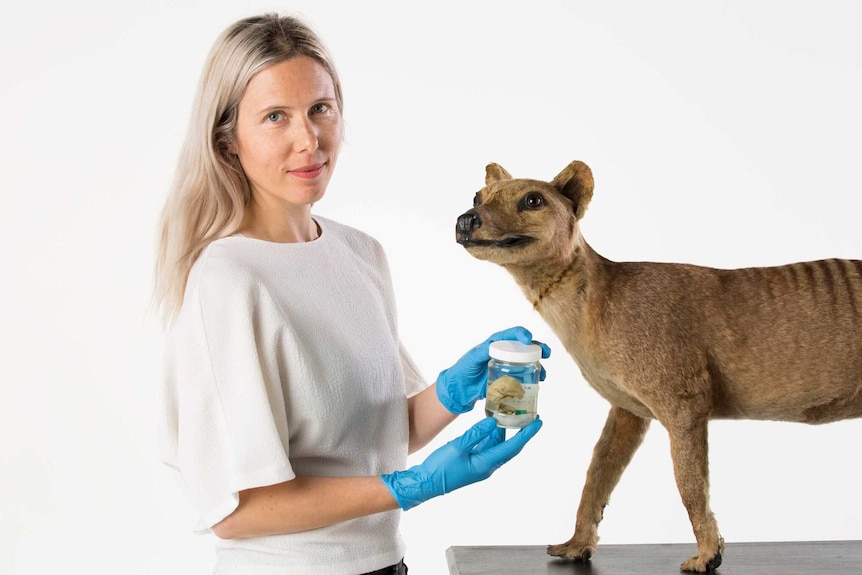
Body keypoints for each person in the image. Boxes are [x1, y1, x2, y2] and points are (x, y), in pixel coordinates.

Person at [153, 13, 550, 575]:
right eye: (275, 117)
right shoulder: (228, 280)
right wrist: (412, 487)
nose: (308, 139)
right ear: (227, 138)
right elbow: (236, 509)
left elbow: (386, 436)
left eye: (320, 108)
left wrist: (456, 391)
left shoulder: (359, 254)